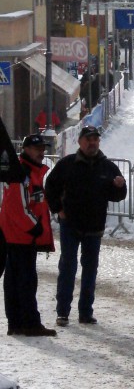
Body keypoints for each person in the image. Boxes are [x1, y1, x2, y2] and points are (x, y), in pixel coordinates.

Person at [45, 126, 127, 327]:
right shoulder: (67, 164)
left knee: (90, 270)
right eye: (89, 139)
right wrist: (58, 209)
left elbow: (117, 196)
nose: (92, 143)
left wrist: (120, 187)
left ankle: (85, 312)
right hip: (70, 226)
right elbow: (50, 187)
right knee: (68, 267)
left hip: (94, 228)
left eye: (95, 140)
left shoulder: (107, 167)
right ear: (80, 142)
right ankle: (62, 312)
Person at [0, 134, 56, 336]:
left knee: (16, 280)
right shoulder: (21, 172)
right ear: (26, 150)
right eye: (37, 148)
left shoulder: (26, 170)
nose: (42, 152)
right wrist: (35, 226)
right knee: (25, 280)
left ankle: (16, 323)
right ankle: (29, 323)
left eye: (43, 148)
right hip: (21, 235)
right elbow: (17, 206)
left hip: (17, 234)